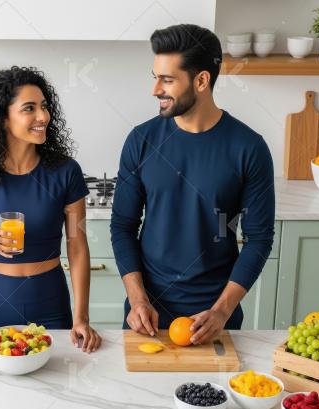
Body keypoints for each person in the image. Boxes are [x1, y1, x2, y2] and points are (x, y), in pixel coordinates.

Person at [111, 24, 275, 345]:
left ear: (201, 80)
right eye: (155, 76)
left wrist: (222, 311)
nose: (155, 89)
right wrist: (138, 299)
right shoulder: (141, 140)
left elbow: (259, 238)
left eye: (167, 80)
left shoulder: (249, 148)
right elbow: (122, 226)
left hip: (214, 317)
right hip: (146, 314)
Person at [0, 66, 101, 353]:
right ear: (3, 118)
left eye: (44, 107)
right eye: (29, 108)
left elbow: (77, 245)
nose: (43, 116)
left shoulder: (65, 172)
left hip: (50, 300)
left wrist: (81, 317)